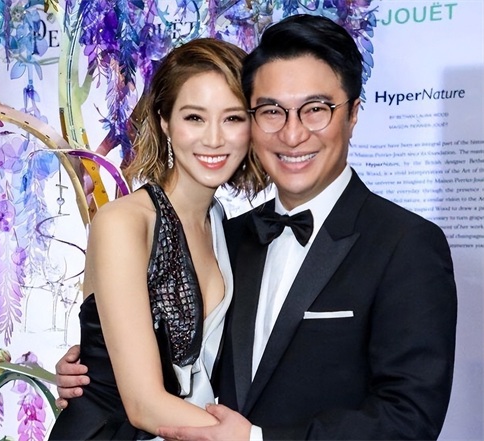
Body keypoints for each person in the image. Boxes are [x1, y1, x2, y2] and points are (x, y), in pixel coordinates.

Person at [55, 15, 458, 440]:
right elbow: (147, 383)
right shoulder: (238, 236)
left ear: (353, 114)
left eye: (315, 110)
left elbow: (408, 419)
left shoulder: (406, 244)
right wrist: (97, 373)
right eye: (273, 112)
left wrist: (255, 439)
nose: (293, 133)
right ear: (164, 121)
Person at [48, 38, 265, 440]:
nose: (214, 139)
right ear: (165, 121)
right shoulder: (125, 223)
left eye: (233, 118)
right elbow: (144, 403)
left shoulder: (227, 228)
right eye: (194, 117)